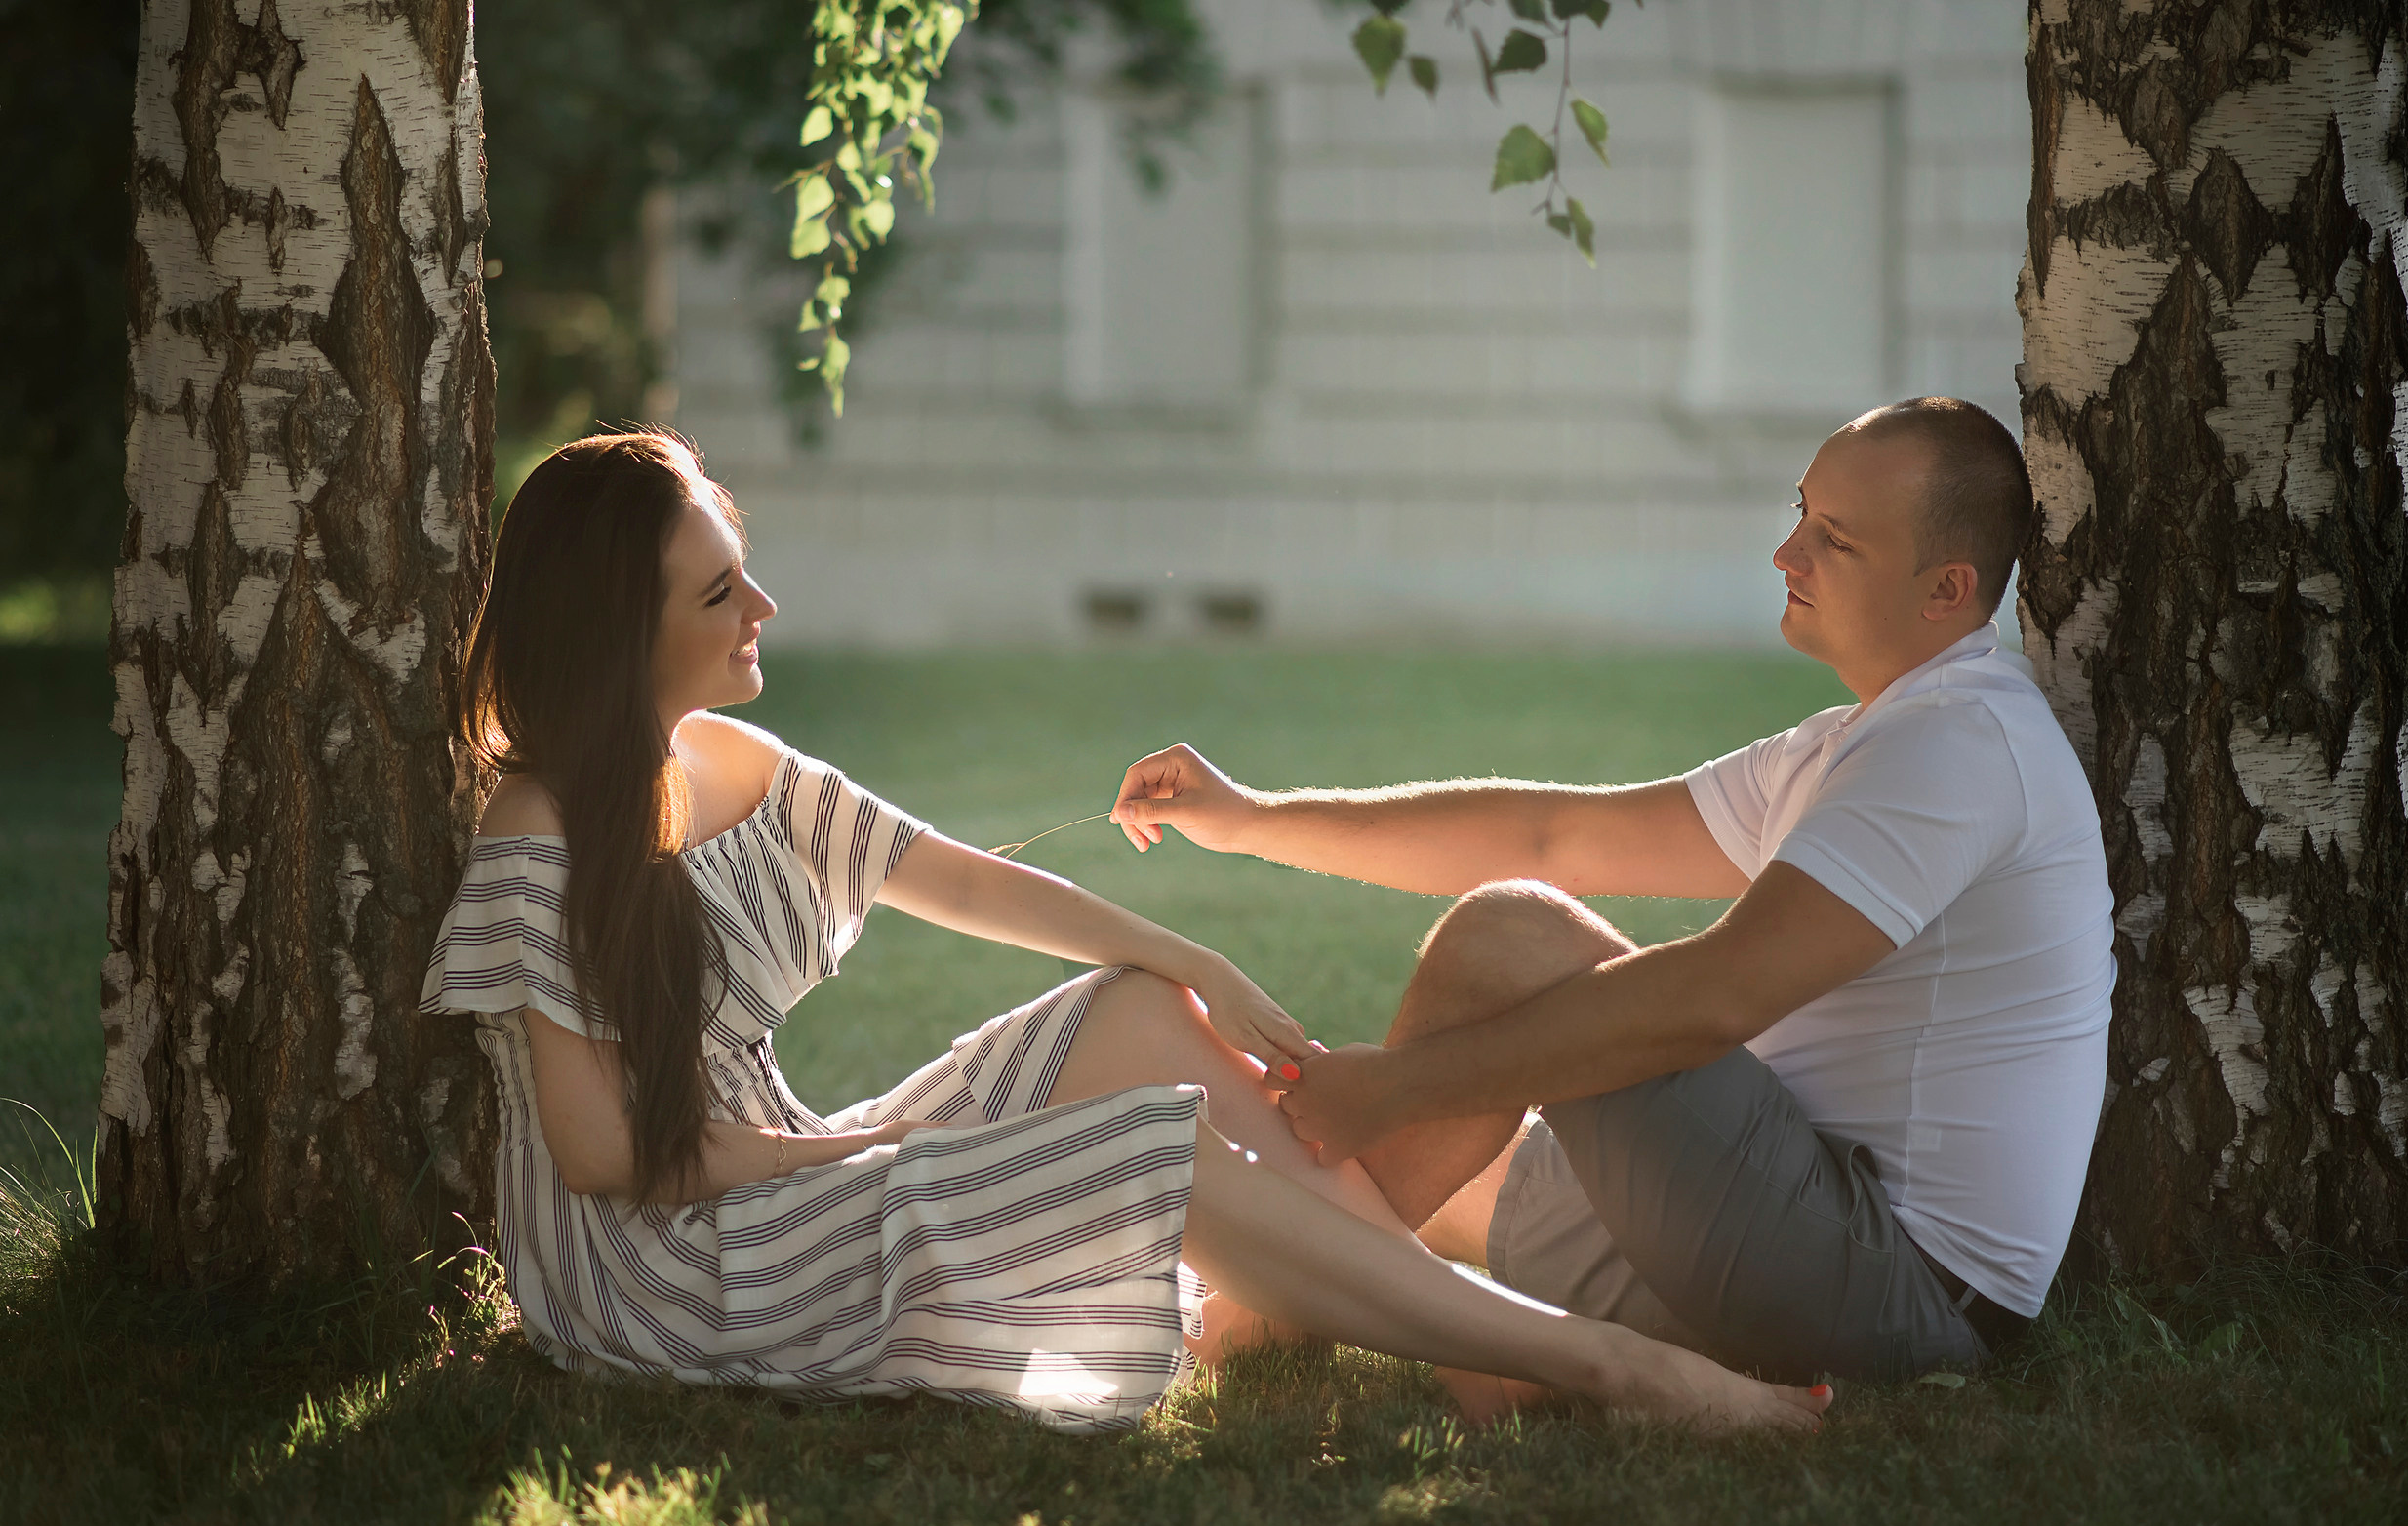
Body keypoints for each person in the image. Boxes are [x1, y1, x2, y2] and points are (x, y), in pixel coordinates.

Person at [420, 429, 1830, 1435]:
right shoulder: (534, 831)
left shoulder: (729, 762)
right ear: (619, 628)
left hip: (782, 1175)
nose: (764, 609)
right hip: (675, 1267)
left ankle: (1469, 1352)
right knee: (1149, 1150)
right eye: (720, 590)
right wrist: (871, 1147)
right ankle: (1614, 1371)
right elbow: (608, 1161)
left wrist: (1188, 959)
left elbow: (962, 879)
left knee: (1141, 1019)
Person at [1111, 398, 2117, 1385]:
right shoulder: (1851, 742)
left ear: (1946, 589)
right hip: (1785, 1209)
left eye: (1834, 539)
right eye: (1799, 513)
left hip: (1896, 1285)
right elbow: (1557, 835)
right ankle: (1432, 1316)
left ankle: (1265, 1326)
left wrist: (1393, 1090)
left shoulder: (1955, 745)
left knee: (1510, 938)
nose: (1786, 555)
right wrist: (1252, 818)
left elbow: (1717, 997)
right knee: (1447, 1169)